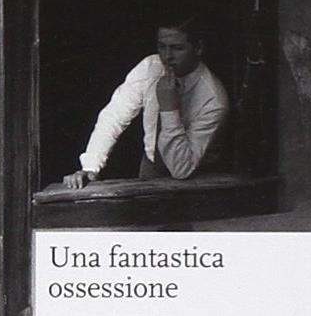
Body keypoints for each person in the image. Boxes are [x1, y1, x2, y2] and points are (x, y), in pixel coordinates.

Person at [63, 16, 229, 187]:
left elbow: (181, 169)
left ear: (198, 48)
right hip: (151, 167)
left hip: (199, 178)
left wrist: (169, 109)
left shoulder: (214, 100)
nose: (167, 56)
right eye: (162, 46)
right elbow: (114, 116)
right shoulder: (149, 68)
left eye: (177, 48)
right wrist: (90, 167)